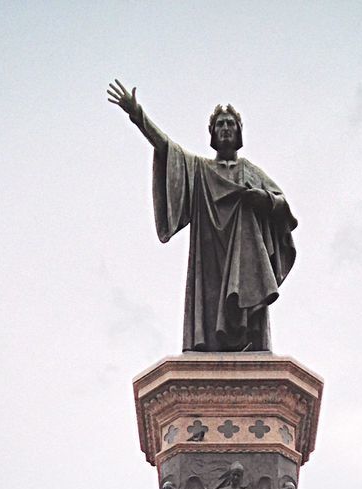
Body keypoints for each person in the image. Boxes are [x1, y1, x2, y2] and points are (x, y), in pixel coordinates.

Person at [107, 80, 297, 352]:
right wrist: (138, 116)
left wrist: (263, 199)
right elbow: (167, 148)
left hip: (243, 256)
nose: (225, 128)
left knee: (247, 302)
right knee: (209, 305)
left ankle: (249, 337)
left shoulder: (250, 172)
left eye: (231, 124)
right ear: (212, 133)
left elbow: (283, 205)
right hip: (210, 257)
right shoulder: (200, 170)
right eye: (220, 124)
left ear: (239, 132)